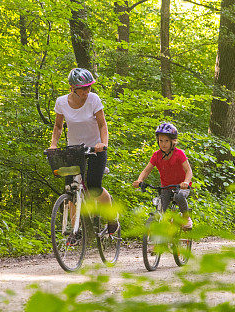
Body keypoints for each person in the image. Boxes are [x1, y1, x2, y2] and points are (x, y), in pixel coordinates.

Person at [49, 67, 118, 233]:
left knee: (94, 187)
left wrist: (103, 144)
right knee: (71, 188)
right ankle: (74, 231)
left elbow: (102, 124)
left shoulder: (93, 99)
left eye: (89, 87)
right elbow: (58, 126)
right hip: (74, 150)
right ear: (72, 88)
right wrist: (53, 144)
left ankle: (111, 217)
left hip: (95, 148)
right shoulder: (61, 102)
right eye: (84, 88)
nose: (87, 91)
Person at [133, 122, 194, 230]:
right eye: (161, 140)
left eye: (166, 141)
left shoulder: (179, 154)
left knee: (179, 196)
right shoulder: (156, 155)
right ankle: (156, 239)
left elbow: (188, 170)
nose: (163, 144)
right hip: (166, 188)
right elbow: (146, 170)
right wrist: (139, 180)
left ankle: (186, 217)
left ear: (173, 141)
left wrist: (186, 182)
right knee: (160, 210)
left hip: (181, 187)